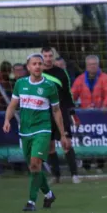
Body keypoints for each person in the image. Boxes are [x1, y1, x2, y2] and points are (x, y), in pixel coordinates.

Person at [3, 53, 70, 212]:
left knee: (35, 163)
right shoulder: (20, 84)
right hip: (25, 131)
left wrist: (62, 134)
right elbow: (12, 105)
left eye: (40, 63)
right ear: (28, 67)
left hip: (43, 130)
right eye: (34, 64)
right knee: (34, 168)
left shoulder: (49, 86)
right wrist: (7, 120)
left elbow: (56, 111)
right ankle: (48, 194)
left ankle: (31, 202)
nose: (38, 66)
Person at [41, 47, 80, 184]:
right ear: (42, 57)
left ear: (53, 56)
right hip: (45, 113)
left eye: (50, 55)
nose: (48, 58)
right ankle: (56, 176)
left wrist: (73, 113)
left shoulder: (61, 73)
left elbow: (68, 95)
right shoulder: (37, 74)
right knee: (50, 146)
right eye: (45, 56)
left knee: (66, 143)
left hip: (61, 112)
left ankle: (74, 174)